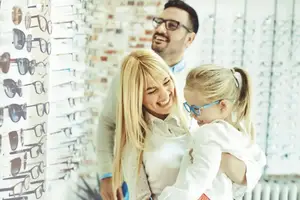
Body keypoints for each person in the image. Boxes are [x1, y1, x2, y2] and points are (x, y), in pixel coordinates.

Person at [97, 1, 263, 199]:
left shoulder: (197, 93)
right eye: (159, 21)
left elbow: (251, 161)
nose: (165, 94)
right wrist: (107, 173)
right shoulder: (129, 92)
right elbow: (107, 123)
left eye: (172, 25)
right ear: (135, 96)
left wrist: (220, 159)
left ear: (190, 39)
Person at [158, 65, 266, 200]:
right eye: (189, 107)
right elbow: (258, 161)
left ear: (223, 106)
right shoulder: (235, 134)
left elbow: (200, 176)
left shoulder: (208, 133)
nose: (192, 114)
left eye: (196, 109)